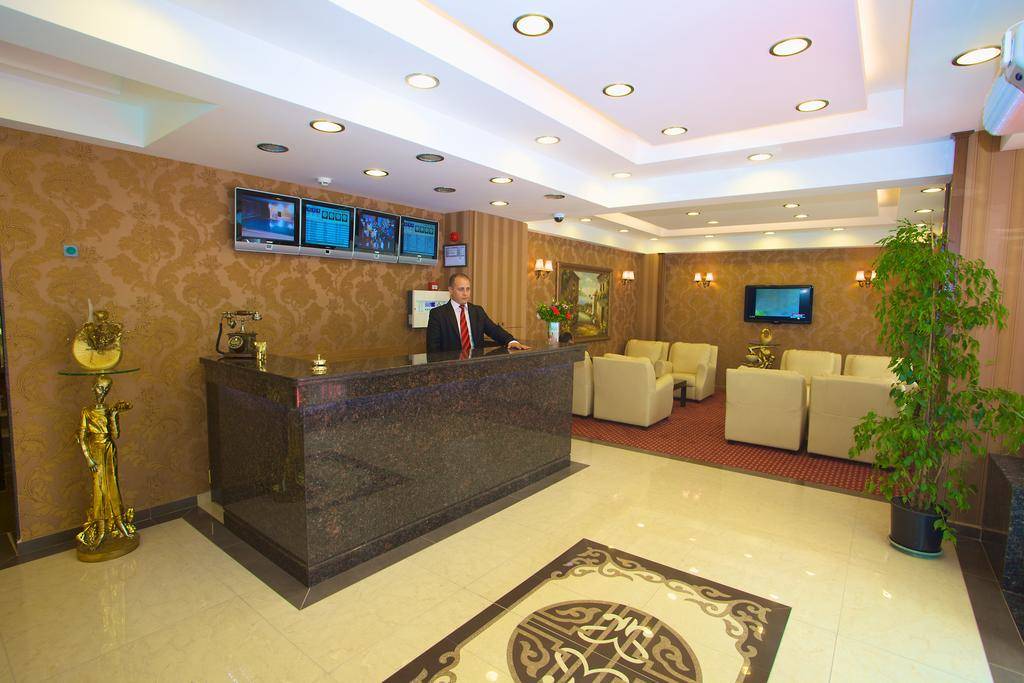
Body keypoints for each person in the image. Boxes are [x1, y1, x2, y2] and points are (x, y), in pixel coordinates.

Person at [427, 273, 530, 353]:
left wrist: (512, 341)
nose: (465, 293)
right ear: (451, 290)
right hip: (451, 366)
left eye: (468, 289)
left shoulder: (477, 311)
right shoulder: (438, 314)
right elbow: (433, 348)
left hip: (476, 364)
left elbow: (494, 330)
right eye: (461, 289)